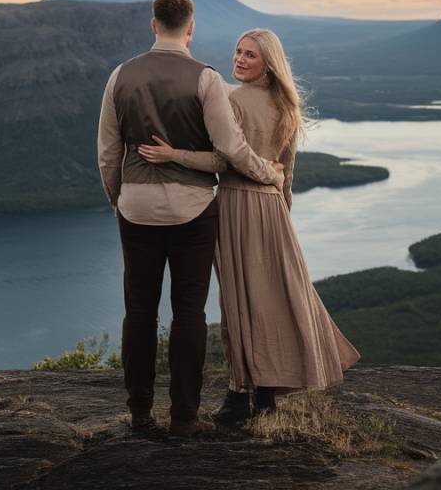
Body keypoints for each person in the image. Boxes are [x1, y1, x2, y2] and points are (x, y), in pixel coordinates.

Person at [138, 28, 359, 423]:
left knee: (239, 301)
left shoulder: (233, 99)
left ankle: (240, 395)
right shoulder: (287, 104)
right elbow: (286, 171)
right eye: (238, 52)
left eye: (250, 55)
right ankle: (268, 395)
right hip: (273, 209)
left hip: (238, 204)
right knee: (275, 297)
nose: (239, 60)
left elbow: (223, 161)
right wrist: (283, 208)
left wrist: (174, 155)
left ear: (268, 65)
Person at [97, 0, 284, 438]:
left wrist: (119, 200)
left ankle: (140, 412)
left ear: (153, 24)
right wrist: (269, 175)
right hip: (194, 210)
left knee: (138, 312)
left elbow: (107, 153)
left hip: (136, 209)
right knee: (189, 314)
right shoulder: (206, 80)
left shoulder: (120, 75)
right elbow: (230, 150)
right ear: (191, 28)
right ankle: (183, 416)